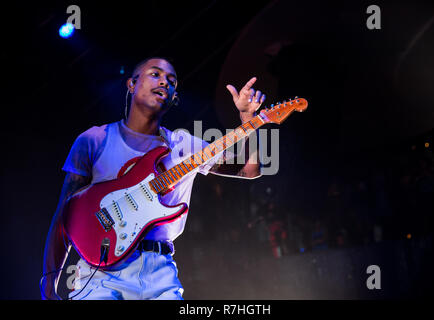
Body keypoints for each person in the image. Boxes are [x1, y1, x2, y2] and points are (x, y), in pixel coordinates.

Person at [42, 57, 266, 300]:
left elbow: (249, 169)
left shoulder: (184, 146)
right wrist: (49, 284)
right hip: (101, 278)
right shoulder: (94, 140)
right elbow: (64, 218)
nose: (164, 83)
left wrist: (248, 120)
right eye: (155, 74)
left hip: (161, 276)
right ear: (131, 84)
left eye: (172, 81)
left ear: (174, 99)